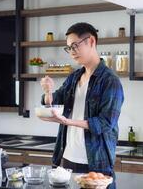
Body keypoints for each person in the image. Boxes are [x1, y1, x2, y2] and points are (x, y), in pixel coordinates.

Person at [39, 22, 124, 181]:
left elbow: (105, 123)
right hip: (66, 158)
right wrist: (47, 91)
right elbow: (53, 102)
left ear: (91, 41)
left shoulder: (110, 81)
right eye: (69, 48)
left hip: (95, 162)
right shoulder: (74, 77)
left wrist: (68, 121)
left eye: (74, 46)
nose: (71, 52)